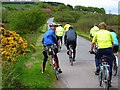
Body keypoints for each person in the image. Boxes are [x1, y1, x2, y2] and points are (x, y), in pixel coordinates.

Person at [89, 22, 114, 87]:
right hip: (109, 49)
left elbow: (93, 43)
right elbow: (112, 43)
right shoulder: (109, 33)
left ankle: (97, 67)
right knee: (110, 63)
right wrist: (111, 50)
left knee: (97, 57)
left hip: (101, 49)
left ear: (99, 27)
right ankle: (109, 81)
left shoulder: (97, 33)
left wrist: (91, 50)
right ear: (105, 27)